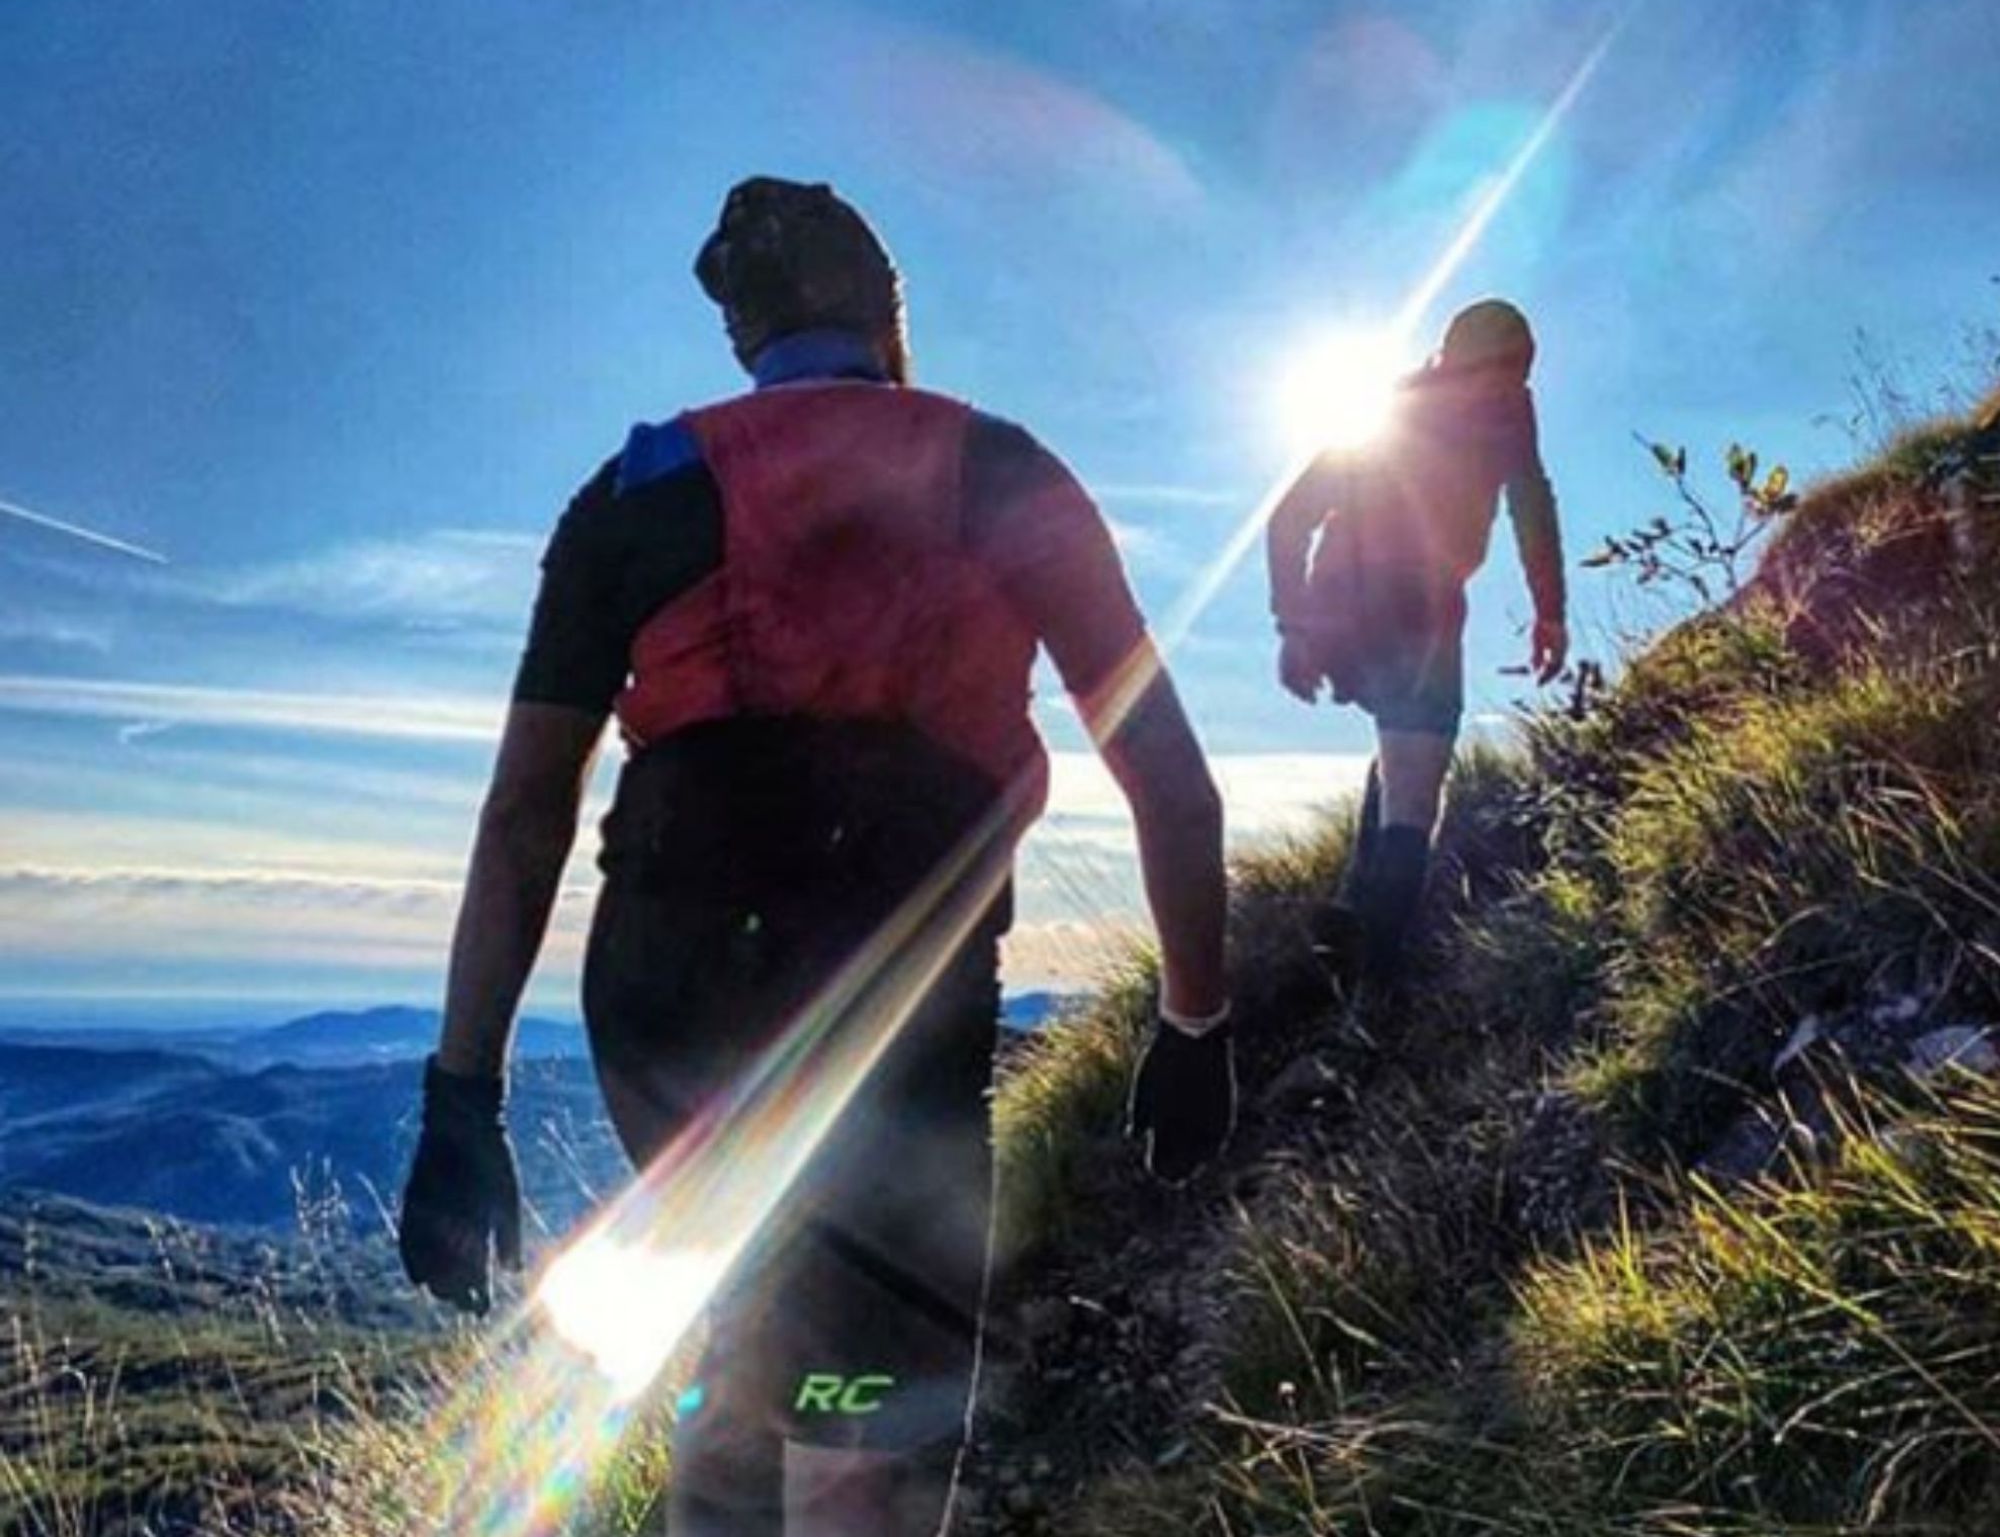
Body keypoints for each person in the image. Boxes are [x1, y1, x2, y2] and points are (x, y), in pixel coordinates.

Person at [396, 177, 1233, 1535]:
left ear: (742, 333)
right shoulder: (1002, 467)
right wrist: (1197, 1022)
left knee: (758, 1337)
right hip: (890, 984)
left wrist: (460, 1100)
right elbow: (1174, 789)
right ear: (888, 314)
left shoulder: (632, 491)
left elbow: (523, 814)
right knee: (870, 1421)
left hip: (663, 990)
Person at [1266, 298, 1567, 1008]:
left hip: (1354, 607)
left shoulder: (1403, 404)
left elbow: (1289, 518)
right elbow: (1532, 502)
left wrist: (1299, 625)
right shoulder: (1495, 413)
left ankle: (1348, 922)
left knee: (1401, 758)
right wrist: (1550, 610)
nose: (1500, 391)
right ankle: (1376, 992)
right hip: (1413, 611)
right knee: (1414, 793)